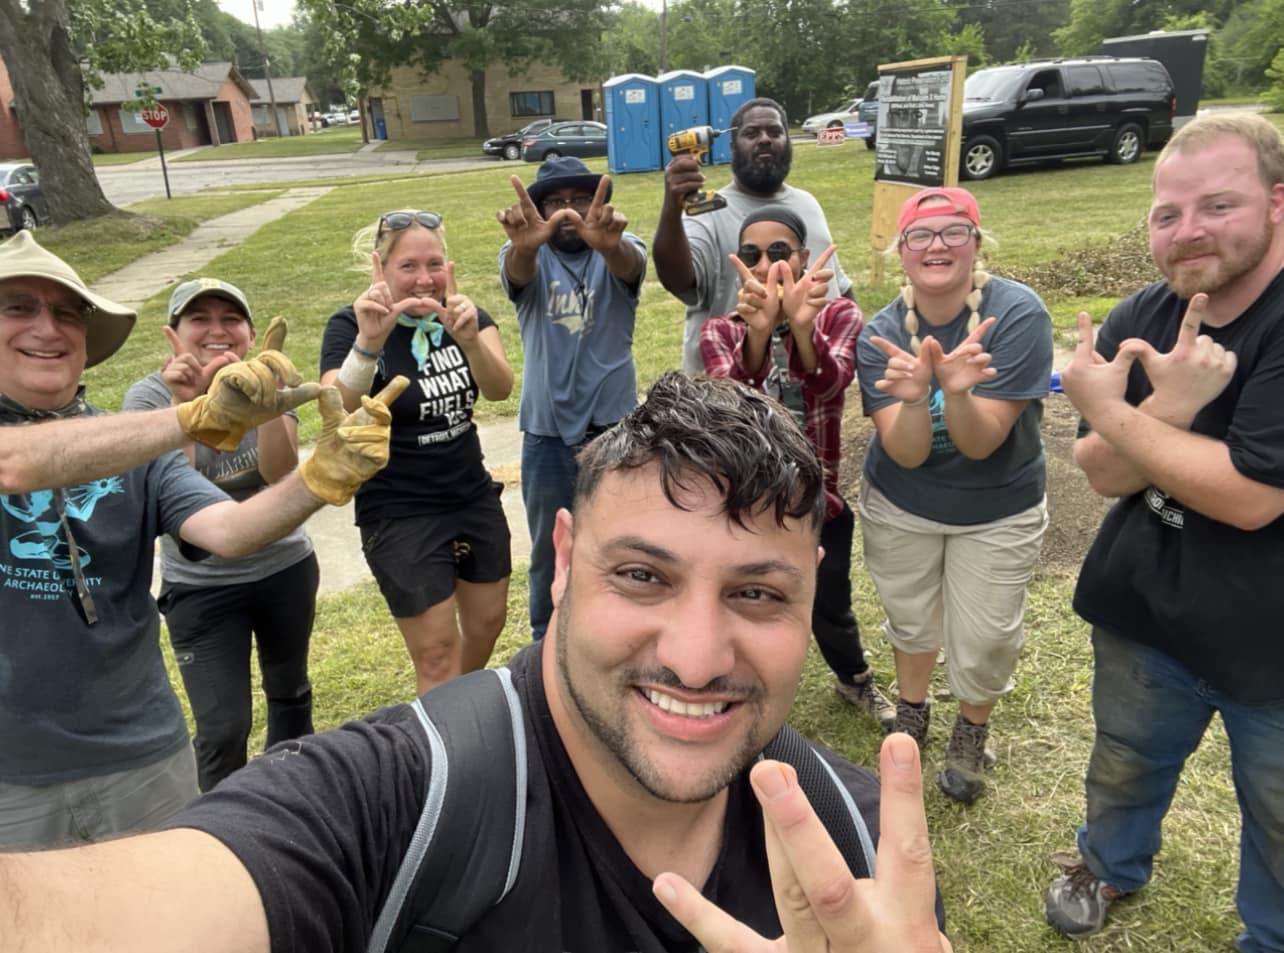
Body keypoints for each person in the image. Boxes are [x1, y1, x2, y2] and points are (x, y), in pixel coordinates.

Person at [0, 372, 952, 953]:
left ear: (813, 586)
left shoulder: (860, 861)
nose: (697, 660)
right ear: (567, 557)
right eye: (641, 575)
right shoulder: (399, 806)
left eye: (756, 593)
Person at [0, 231, 398, 850]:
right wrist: (189, 417)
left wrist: (323, 476)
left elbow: (231, 531)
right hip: (11, 783)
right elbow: (15, 464)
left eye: (66, 312)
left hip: (143, 756)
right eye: (18, 308)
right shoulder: (149, 424)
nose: (47, 329)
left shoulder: (131, 443)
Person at [1046, 112, 1284, 950]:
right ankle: (1106, 863)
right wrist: (1172, 404)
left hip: (1273, 646)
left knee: (1281, 813)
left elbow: (1255, 495)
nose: (1188, 234)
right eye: (1167, 213)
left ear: (1277, 203)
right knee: (1124, 760)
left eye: (1218, 206)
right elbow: (1106, 472)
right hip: (1148, 615)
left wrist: (1113, 408)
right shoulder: (1144, 311)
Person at [855, 187, 1052, 804]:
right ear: (902, 251)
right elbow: (907, 451)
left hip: (999, 506)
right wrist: (916, 398)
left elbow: (983, 443)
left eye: (952, 232)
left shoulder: (1017, 316)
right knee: (910, 615)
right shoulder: (880, 336)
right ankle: (912, 711)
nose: (936, 245)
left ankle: (973, 727)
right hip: (902, 501)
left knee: (988, 634)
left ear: (976, 243)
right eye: (920, 235)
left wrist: (958, 393)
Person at [699, 205, 894, 730]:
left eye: (780, 252)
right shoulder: (719, 330)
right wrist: (759, 335)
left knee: (830, 605)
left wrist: (802, 331)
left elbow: (830, 385)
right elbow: (732, 404)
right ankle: (737, 687)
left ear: (803, 258)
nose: (766, 264)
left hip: (818, 503)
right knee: (742, 604)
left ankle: (852, 679)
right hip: (747, 504)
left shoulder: (840, 316)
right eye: (752, 254)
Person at [122, 278, 319, 792]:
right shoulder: (148, 396)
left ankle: (295, 806)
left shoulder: (268, 377)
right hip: (201, 586)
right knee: (222, 727)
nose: (217, 331)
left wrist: (270, 409)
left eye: (230, 319)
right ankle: (219, 833)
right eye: (199, 320)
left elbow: (278, 472)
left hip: (284, 568)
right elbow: (170, 497)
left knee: (291, 696)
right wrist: (185, 408)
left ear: (250, 334)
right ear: (175, 333)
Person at [320, 210, 514, 693]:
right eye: (408, 266)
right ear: (380, 269)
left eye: (434, 264)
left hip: (469, 494)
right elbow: (337, 408)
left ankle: (455, 705)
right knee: (435, 653)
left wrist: (470, 341)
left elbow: (499, 389)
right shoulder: (351, 324)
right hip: (399, 506)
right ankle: (446, 749)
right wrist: (370, 341)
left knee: (488, 622)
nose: (424, 279)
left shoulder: (465, 316)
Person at [496, 157, 647, 639]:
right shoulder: (525, 254)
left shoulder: (623, 250)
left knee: (624, 542)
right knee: (550, 546)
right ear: (537, 212)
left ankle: (618, 633)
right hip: (546, 433)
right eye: (554, 203)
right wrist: (524, 248)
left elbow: (630, 264)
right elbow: (517, 272)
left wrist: (611, 245)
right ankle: (548, 640)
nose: (567, 213)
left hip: (617, 428)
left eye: (579, 201)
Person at [654, 96, 854, 373]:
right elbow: (677, 281)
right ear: (732, 146)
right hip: (732, 392)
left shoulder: (808, 202)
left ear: (788, 141)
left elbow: (838, 286)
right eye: (751, 133)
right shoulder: (706, 211)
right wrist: (671, 207)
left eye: (775, 132)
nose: (764, 139)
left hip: (811, 383)